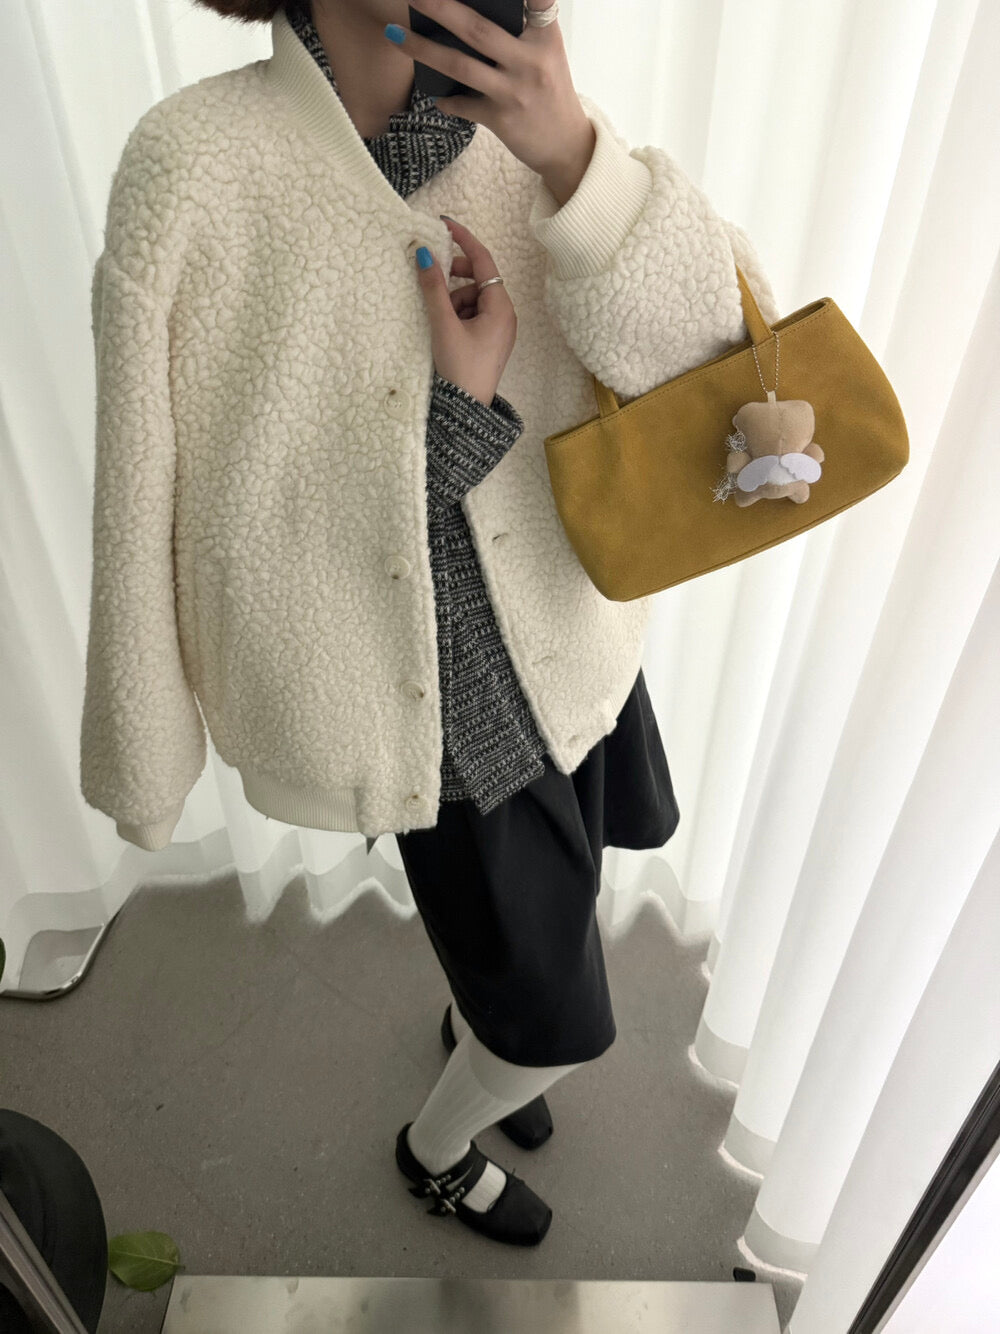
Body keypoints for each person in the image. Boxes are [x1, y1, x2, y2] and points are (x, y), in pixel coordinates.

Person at [83, 0, 777, 1248]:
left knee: (563, 899)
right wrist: (145, 750)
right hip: (418, 707)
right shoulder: (190, 166)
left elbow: (724, 372)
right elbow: (164, 501)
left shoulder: (525, 116)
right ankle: (437, 1147)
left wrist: (576, 159)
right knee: (552, 1023)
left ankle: (476, 1021)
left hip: (570, 633)